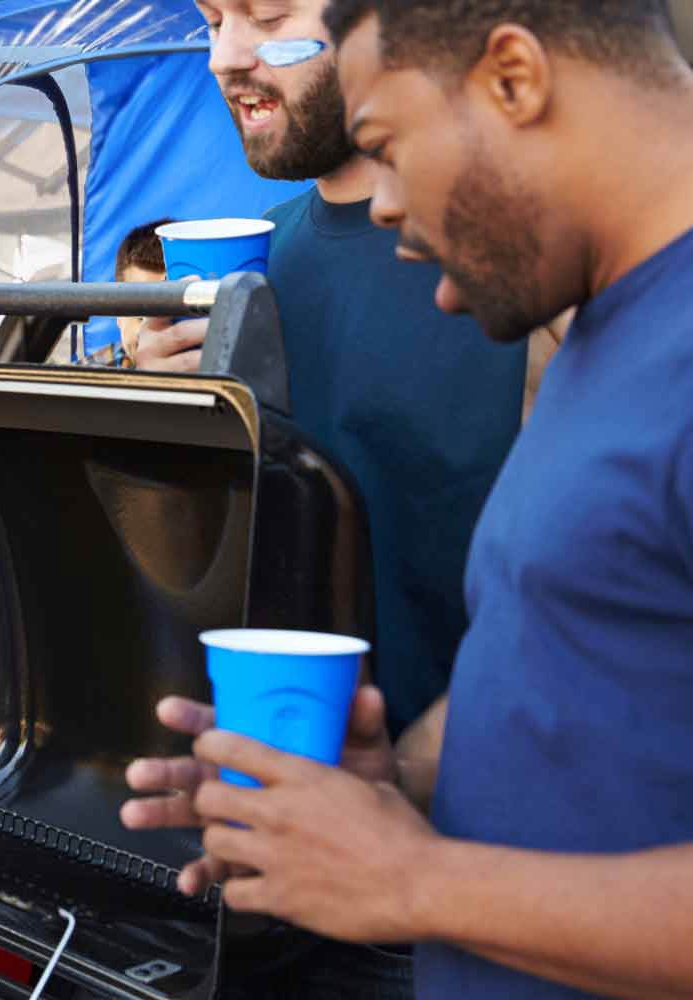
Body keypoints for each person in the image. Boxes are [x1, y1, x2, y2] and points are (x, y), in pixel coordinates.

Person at [130, 2, 693, 997]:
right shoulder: (603, 326)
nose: (382, 212)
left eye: (387, 147)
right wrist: (383, 787)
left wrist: (417, 878)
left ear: (513, 79)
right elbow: (562, 673)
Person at [90, 217, 174, 367]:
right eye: (141, 317)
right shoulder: (85, 381)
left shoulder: (224, 381)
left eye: (174, 317)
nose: (153, 333)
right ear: (119, 316)